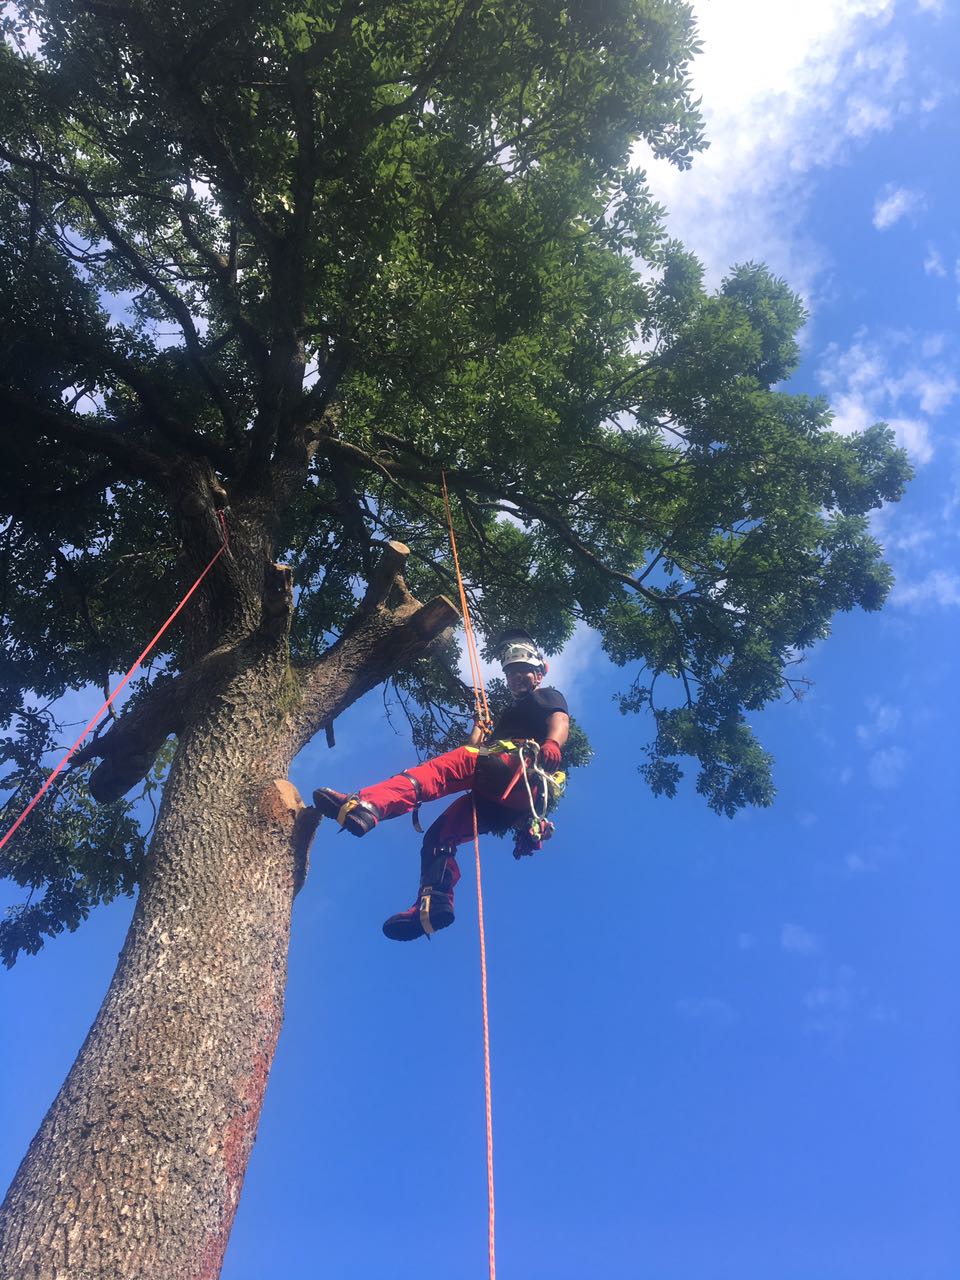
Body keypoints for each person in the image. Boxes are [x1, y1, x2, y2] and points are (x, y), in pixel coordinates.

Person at [313, 630, 570, 941]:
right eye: (511, 674)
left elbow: (559, 719)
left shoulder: (546, 696)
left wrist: (553, 743)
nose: (515, 679)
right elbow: (478, 749)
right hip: (501, 798)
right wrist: (478, 731)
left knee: (442, 769)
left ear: (538, 673)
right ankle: (433, 905)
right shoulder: (510, 715)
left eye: (521, 673)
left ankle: (368, 804)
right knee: (439, 835)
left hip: (519, 773)